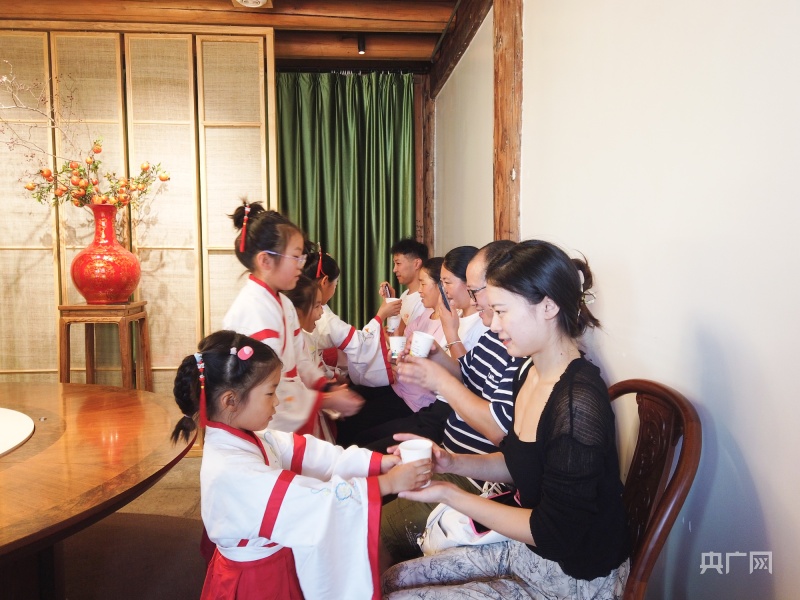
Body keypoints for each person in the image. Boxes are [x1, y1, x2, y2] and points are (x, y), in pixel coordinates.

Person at [382, 240, 631, 599]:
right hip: (528, 550)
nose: (494, 325)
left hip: (571, 576)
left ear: (548, 306)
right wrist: (451, 461)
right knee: (392, 580)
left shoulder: (576, 402)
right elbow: (520, 463)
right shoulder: (528, 372)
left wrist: (451, 494)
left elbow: (556, 534)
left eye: (501, 311)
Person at [171, 330, 432, 600]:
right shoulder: (232, 470)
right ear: (230, 400)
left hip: (268, 565)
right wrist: (388, 483)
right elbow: (315, 501)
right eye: (270, 392)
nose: (277, 401)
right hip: (257, 582)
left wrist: (378, 463)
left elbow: (309, 453)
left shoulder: (246, 438)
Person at [378, 240, 520, 564]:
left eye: (476, 289)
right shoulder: (494, 335)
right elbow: (465, 373)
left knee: (375, 535)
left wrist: (440, 377)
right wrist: (437, 356)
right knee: (375, 491)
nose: (472, 297)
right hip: (453, 457)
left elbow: (498, 431)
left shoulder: (519, 347)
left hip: (474, 476)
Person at [222, 201, 363, 435]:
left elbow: (301, 358)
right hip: (268, 418)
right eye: (296, 257)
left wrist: (325, 385)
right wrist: (327, 400)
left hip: (290, 406)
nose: (301, 266)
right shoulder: (254, 312)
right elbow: (268, 388)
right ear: (265, 261)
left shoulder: (283, 303)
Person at [336, 257, 447, 448]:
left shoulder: (448, 326)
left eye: (423, 284)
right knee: (347, 411)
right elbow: (398, 352)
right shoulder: (424, 315)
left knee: (358, 431)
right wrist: (394, 352)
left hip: (414, 399)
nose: (420, 290)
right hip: (398, 386)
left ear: (441, 286)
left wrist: (398, 359)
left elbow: (410, 361)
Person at [303, 242, 400, 387]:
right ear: (324, 282)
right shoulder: (323, 317)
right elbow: (360, 344)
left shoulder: (309, 307)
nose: (394, 269)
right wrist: (381, 315)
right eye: (335, 284)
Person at [438, 245, 487, 360]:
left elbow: (468, 370)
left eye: (447, 282)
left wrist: (451, 333)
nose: (443, 289)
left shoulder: (484, 322)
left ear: (469, 282)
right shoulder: (455, 315)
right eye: (441, 282)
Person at [379, 238, 429, 337]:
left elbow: (409, 338)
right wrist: (391, 301)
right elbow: (394, 331)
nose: (394, 269)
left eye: (398, 263)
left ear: (416, 263)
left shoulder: (424, 299)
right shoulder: (404, 295)